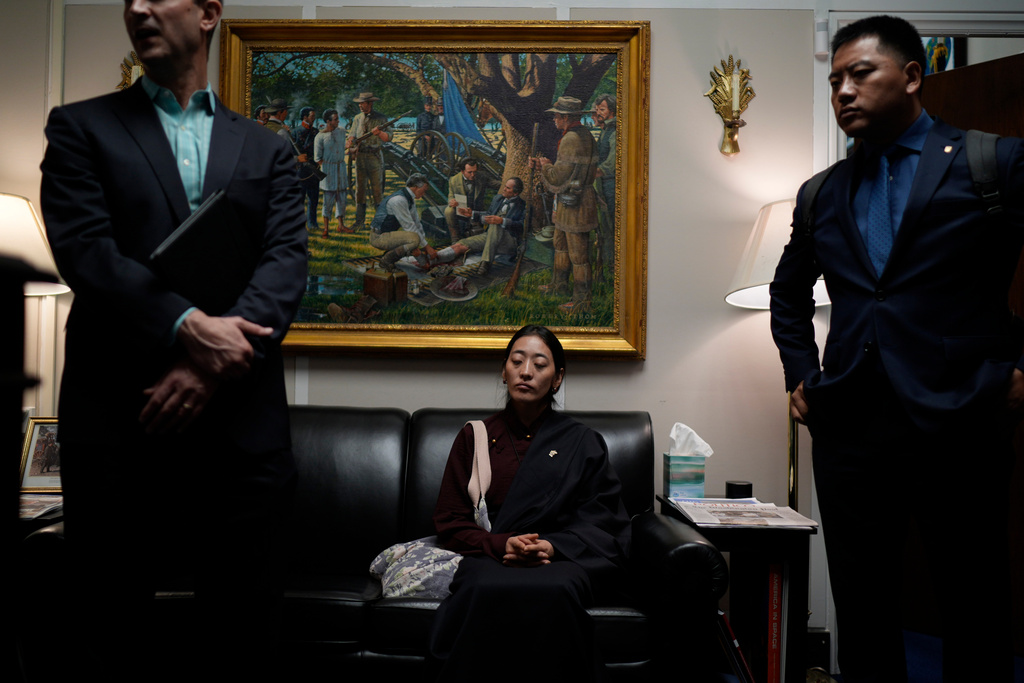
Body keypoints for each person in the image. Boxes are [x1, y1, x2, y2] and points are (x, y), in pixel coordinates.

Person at [39, 1, 307, 682]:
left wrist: (209, 369)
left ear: (209, 12)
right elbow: (86, 252)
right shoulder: (79, 128)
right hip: (119, 424)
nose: (136, 7)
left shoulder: (270, 149)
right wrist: (188, 326)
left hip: (242, 431)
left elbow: (285, 266)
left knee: (245, 638)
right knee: (107, 634)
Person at [769, 15, 1024, 683]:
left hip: (961, 417)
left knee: (974, 607)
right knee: (864, 611)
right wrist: (802, 374)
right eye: (834, 81)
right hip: (851, 427)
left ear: (911, 76)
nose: (844, 91)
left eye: (860, 74)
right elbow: (787, 294)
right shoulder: (820, 192)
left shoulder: (992, 162)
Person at [429, 324, 631, 682]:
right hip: (492, 556)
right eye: (517, 361)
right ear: (504, 370)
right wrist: (499, 543)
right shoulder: (475, 437)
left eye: (540, 364)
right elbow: (450, 521)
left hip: (558, 560)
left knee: (557, 589)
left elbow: (604, 523)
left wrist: (551, 546)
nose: (526, 372)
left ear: (557, 378)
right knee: (479, 587)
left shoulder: (582, 442)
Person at [531, 96, 599, 313]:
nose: (554, 120)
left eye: (557, 116)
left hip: (576, 203)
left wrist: (545, 166)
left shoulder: (571, 138)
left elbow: (559, 177)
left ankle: (581, 302)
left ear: (566, 117)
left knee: (578, 256)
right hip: (570, 201)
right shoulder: (584, 135)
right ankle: (558, 286)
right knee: (560, 244)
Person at [434, 176, 526, 275]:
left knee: (495, 224)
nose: (504, 189)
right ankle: (432, 258)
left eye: (508, 188)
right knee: (460, 245)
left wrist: (502, 221)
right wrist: (472, 214)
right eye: (505, 186)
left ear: (515, 193)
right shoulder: (498, 198)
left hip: (508, 242)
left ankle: (485, 262)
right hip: (490, 236)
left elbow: (522, 226)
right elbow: (488, 215)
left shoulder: (522, 205)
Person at [369, 173, 437, 271]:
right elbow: (409, 227)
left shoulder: (409, 199)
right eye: (424, 190)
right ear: (416, 187)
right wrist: (427, 247)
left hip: (387, 235)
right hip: (378, 237)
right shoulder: (399, 200)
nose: (424, 194)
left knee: (414, 239)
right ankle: (386, 260)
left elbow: (416, 223)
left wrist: (426, 247)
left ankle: (390, 255)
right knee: (414, 239)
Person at [346, 90, 390, 230]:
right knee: (360, 190)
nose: (360, 106)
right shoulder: (357, 118)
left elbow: (388, 137)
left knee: (377, 191)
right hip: (360, 157)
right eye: (359, 103)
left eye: (362, 103)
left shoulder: (381, 118)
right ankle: (359, 222)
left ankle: (379, 224)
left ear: (370, 103)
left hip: (374, 157)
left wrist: (380, 133)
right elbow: (352, 135)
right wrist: (350, 141)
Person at [315, 108, 350, 235]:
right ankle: (326, 228)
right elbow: (317, 158)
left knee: (341, 198)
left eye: (337, 119)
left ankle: (341, 225)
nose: (338, 121)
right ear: (328, 121)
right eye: (335, 119)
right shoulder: (320, 136)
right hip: (328, 171)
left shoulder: (341, 132)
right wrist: (328, 167)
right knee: (328, 200)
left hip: (341, 169)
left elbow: (343, 147)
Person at [593, 93, 617, 279]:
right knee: (605, 227)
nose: (598, 112)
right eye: (597, 109)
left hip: (611, 185)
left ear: (612, 111)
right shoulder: (605, 129)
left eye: (602, 109)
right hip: (603, 183)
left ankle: (613, 269)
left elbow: (611, 163)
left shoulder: (615, 130)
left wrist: (593, 172)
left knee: (611, 225)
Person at [443, 157, 487, 243]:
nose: (473, 174)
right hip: (461, 210)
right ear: (462, 171)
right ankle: (455, 238)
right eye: (469, 172)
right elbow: (451, 196)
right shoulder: (454, 180)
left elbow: (495, 184)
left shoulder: (481, 177)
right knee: (448, 211)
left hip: (476, 210)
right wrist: (452, 201)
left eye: (475, 171)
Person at [294, 105, 321, 231]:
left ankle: (312, 223)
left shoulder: (316, 132)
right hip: (300, 169)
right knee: (299, 199)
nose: (314, 118)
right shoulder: (294, 132)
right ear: (305, 117)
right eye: (312, 116)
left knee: (313, 199)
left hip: (313, 169)